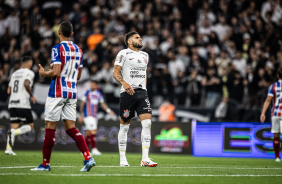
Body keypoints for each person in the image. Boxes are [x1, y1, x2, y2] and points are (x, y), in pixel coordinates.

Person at [31, 21, 95, 171]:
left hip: (57, 92)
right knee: (71, 128)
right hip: (72, 92)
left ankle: (45, 164)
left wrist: (43, 73)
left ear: (59, 32)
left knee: (50, 126)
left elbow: (56, 72)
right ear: (72, 33)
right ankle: (88, 157)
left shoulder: (56, 49)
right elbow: (78, 75)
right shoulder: (79, 50)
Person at [112, 31, 158, 167]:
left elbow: (144, 75)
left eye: (140, 37)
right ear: (129, 42)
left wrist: (145, 89)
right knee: (124, 127)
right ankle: (122, 159)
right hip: (127, 94)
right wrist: (125, 84)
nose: (141, 39)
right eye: (137, 38)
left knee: (147, 124)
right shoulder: (123, 53)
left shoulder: (145, 55)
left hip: (142, 93)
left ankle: (145, 158)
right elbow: (115, 72)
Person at [5, 56, 36, 155]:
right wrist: (31, 96)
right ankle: (14, 133)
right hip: (22, 103)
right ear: (30, 64)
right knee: (30, 126)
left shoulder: (14, 73)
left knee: (14, 126)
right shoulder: (29, 73)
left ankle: (8, 149)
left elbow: (8, 90)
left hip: (12, 103)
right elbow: (26, 84)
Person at [78, 80, 115, 156]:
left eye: (93, 84)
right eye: (91, 84)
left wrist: (108, 110)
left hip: (94, 116)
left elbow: (102, 104)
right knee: (93, 131)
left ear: (96, 86)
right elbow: (82, 104)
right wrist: (81, 115)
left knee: (88, 133)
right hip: (87, 115)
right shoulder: (87, 93)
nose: (91, 85)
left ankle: (84, 150)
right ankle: (94, 149)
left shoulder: (98, 94)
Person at [260, 67, 282, 162]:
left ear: (277, 75)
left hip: (276, 114)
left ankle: (277, 157)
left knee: (276, 135)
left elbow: (268, 100)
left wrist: (263, 113)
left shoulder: (273, 86)